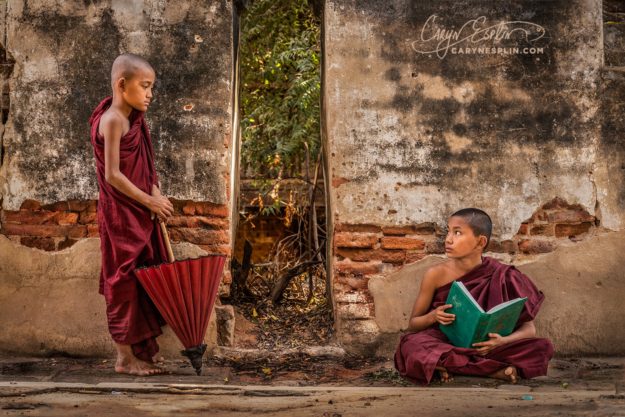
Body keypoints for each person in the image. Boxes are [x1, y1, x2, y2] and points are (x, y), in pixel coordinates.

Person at [394, 208, 553, 385]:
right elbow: (413, 325)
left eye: (458, 233)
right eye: (448, 231)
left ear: (480, 242)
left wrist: (502, 341)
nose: (448, 239)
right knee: (411, 345)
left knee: (541, 348)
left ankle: (449, 365)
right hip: (445, 342)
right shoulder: (435, 274)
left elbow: (529, 330)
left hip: (488, 347)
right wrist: (433, 316)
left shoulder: (503, 275)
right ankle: (493, 370)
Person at [89, 53, 174, 376]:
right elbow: (112, 174)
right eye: (145, 86)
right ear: (122, 85)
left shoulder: (135, 118)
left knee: (144, 277)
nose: (150, 94)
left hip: (138, 208)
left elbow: (143, 166)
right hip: (120, 215)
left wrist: (154, 193)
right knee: (122, 280)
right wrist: (149, 202)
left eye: (152, 87)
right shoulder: (112, 119)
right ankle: (124, 358)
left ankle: (141, 351)